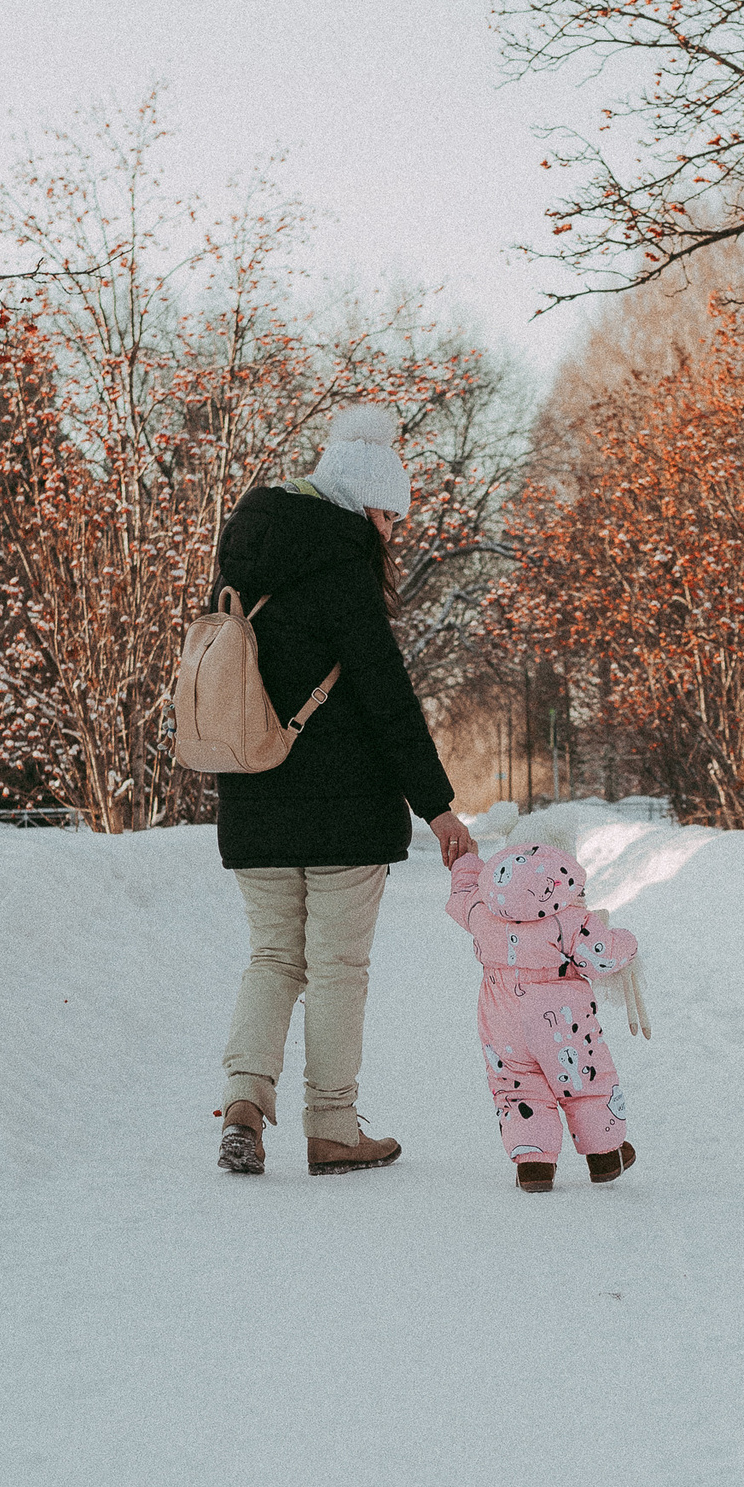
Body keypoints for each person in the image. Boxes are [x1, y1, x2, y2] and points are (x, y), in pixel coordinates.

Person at [212, 404, 475, 1179]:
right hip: (347, 810)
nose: (391, 531)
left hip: (252, 794)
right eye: (388, 512)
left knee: (271, 956)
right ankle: (331, 1125)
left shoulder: (242, 556)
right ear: (364, 504)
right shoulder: (343, 564)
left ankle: (241, 1105)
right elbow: (385, 693)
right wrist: (437, 804)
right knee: (335, 967)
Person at [444, 836, 639, 1193]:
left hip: (502, 1021)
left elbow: (461, 894)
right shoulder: (570, 921)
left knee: (517, 1087)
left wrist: (467, 863)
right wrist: (627, 941)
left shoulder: (481, 912)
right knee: (583, 1080)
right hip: (562, 1022)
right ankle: (605, 1154)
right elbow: (603, 957)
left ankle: (534, 1165)